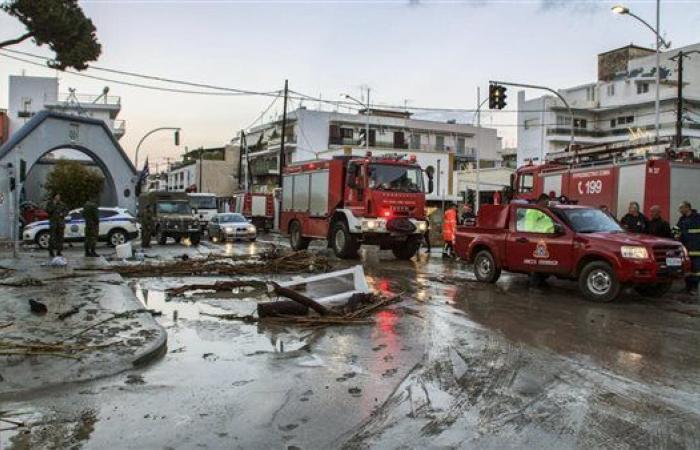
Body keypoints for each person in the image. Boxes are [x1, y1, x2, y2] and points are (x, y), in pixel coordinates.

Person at [676, 201, 700, 296]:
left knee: (696, 270)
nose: (680, 210)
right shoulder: (682, 219)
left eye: (681, 208)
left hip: (697, 248)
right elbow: (675, 230)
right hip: (685, 248)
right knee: (687, 268)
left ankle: (694, 288)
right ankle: (687, 287)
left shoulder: (697, 218)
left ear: (687, 208)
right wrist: (675, 236)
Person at [46, 193, 67, 257]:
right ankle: (51, 251)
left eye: (59, 196)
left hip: (60, 223)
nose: (58, 197)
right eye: (57, 196)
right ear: (54, 197)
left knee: (60, 238)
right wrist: (54, 205)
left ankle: (59, 251)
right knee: (52, 238)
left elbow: (66, 210)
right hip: (53, 223)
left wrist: (63, 214)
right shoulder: (50, 204)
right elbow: (48, 211)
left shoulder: (62, 204)